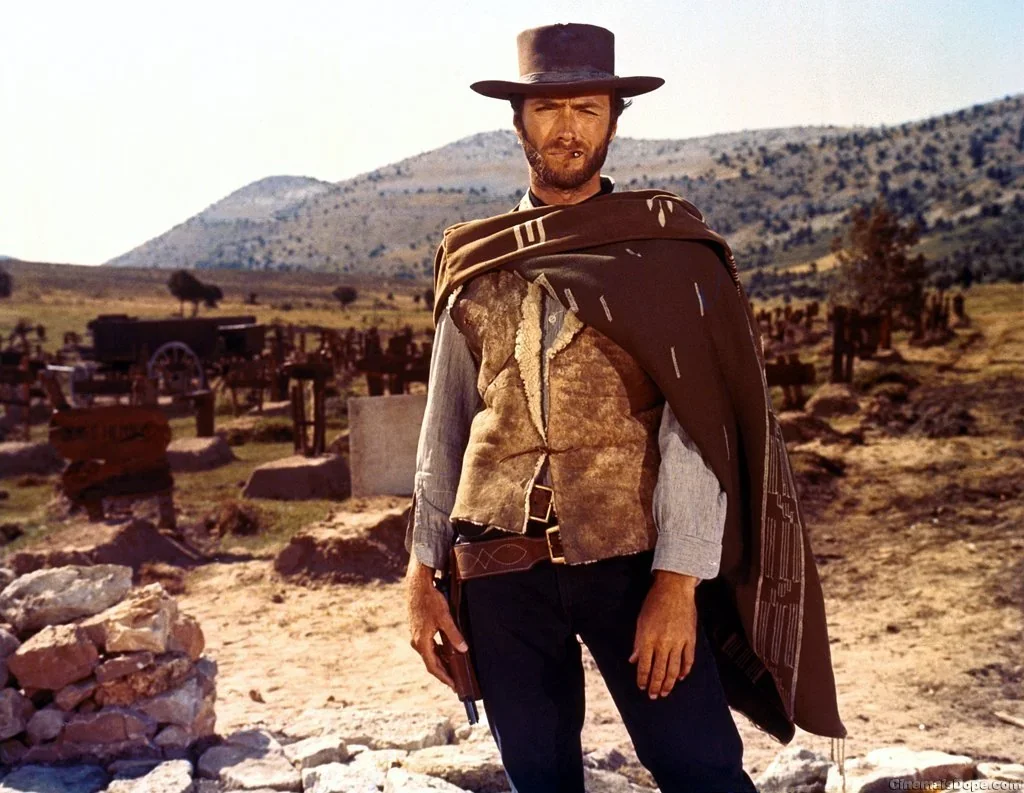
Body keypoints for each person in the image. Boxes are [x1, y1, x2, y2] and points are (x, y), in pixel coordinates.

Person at [405, 23, 846, 793]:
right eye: (548, 110)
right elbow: (444, 428)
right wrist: (421, 570)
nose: (567, 127)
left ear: (614, 119)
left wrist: (677, 584)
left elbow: (698, 432)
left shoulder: (667, 255)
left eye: (587, 108)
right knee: (538, 777)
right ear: (519, 122)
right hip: (498, 564)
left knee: (701, 766)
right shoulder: (474, 258)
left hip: (631, 563)